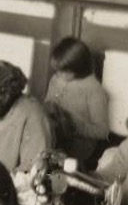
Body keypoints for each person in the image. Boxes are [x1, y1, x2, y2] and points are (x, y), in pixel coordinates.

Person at [44, 37, 109, 165]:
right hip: (55, 134)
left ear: (79, 68)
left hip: (78, 142)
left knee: (50, 157)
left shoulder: (94, 89)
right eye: (57, 70)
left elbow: (103, 131)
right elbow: (47, 104)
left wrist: (74, 125)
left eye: (64, 72)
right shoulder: (56, 78)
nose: (59, 75)